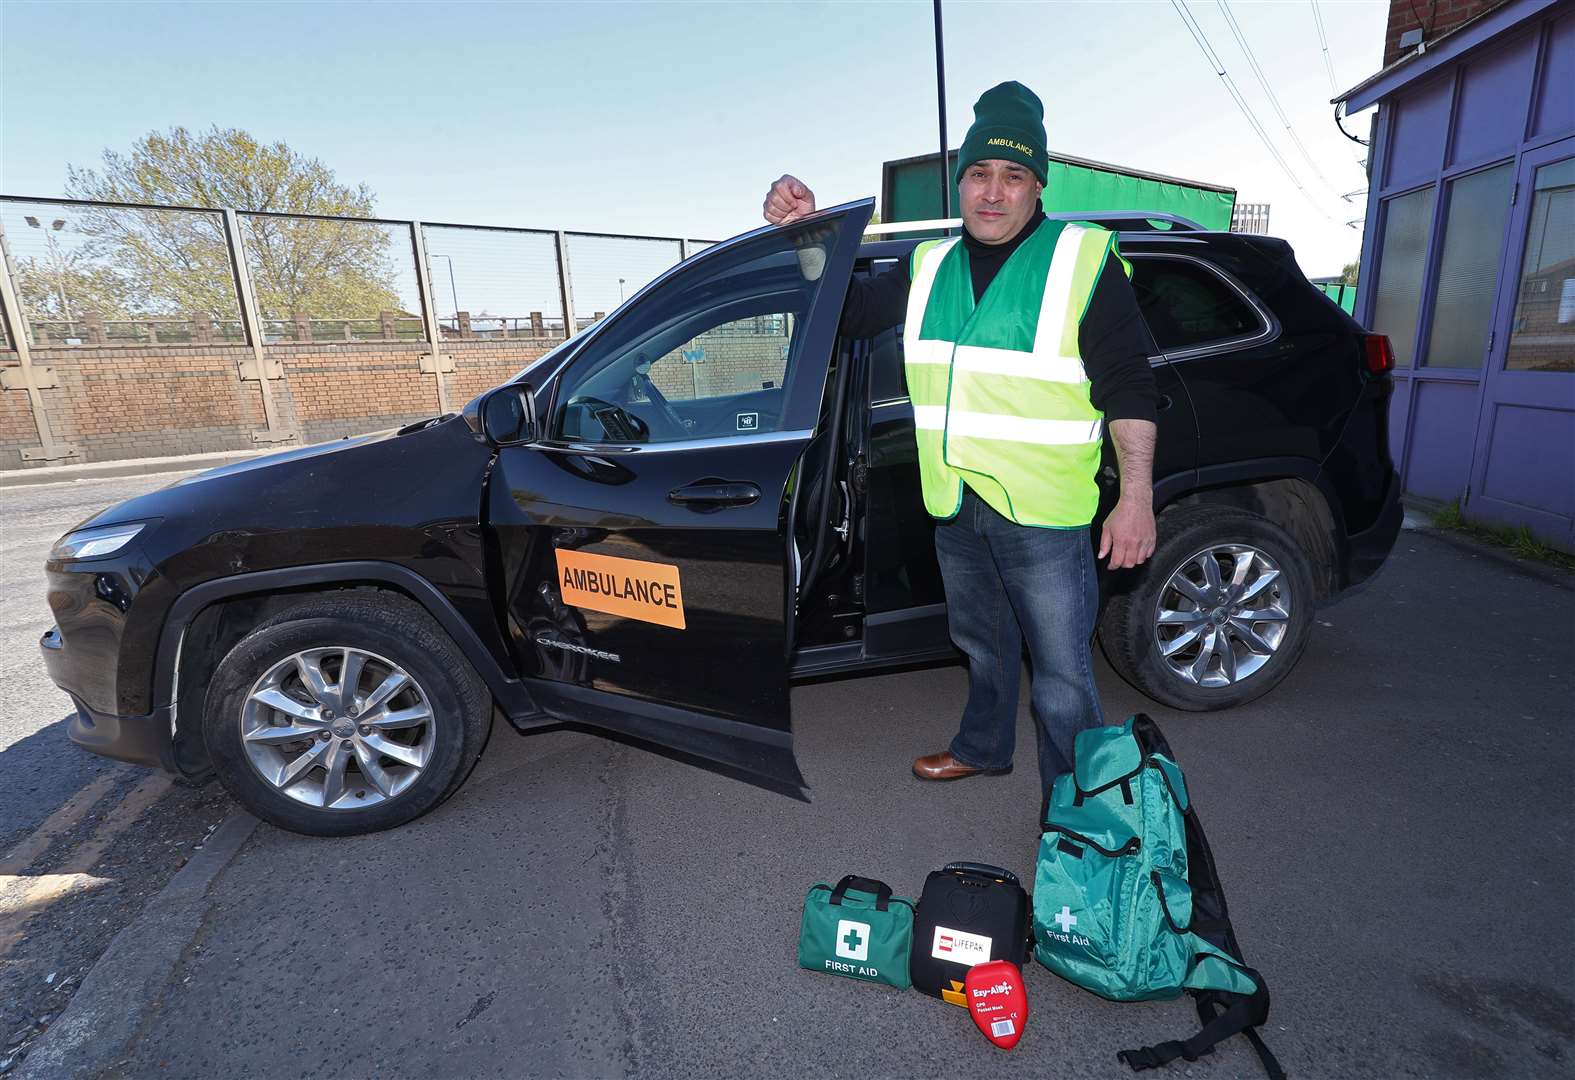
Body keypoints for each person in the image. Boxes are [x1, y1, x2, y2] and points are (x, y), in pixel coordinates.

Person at [762, 81, 1160, 798]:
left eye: (1012, 176)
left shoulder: (1081, 259)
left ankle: (1078, 823)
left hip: (1043, 513)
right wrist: (806, 236)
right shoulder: (927, 265)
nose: (992, 192)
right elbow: (846, 315)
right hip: (956, 501)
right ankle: (983, 747)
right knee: (981, 645)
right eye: (979, 173)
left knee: (1063, 678)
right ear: (961, 180)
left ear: (1037, 185)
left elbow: (1129, 384)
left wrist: (1135, 498)